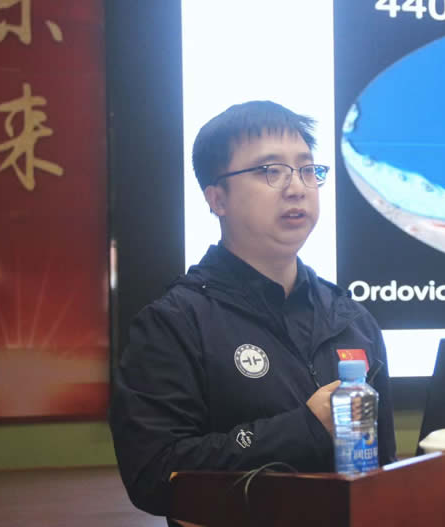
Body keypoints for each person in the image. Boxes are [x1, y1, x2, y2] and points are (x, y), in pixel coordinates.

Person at [109, 101, 396, 519]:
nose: (296, 188)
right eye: (270, 171)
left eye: (307, 169)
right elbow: (154, 475)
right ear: (217, 198)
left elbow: (382, 472)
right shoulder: (174, 323)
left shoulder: (353, 321)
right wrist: (304, 428)